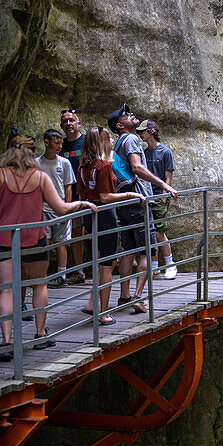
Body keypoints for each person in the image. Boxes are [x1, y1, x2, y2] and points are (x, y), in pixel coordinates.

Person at [0, 135, 97, 358]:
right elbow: (61, 208)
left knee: (6, 289)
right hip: (34, 238)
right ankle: (40, 334)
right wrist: (82, 202)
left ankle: (6, 342)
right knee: (39, 285)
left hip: (5, 240)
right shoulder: (40, 178)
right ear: (32, 152)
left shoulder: (1, 176)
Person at [107, 104, 177, 314]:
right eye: (126, 115)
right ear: (120, 125)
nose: (131, 115)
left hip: (125, 202)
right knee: (147, 249)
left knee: (128, 251)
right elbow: (137, 167)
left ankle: (124, 296)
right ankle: (138, 296)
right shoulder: (131, 139)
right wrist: (163, 184)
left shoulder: (119, 142)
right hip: (138, 200)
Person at [77, 129, 143, 324]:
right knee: (106, 266)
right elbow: (106, 197)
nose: (113, 140)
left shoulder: (83, 167)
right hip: (104, 216)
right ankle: (103, 313)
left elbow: (83, 196)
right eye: (109, 138)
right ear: (102, 143)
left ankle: (92, 304)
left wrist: (84, 225)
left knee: (101, 264)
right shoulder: (104, 166)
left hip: (90, 215)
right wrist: (131, 195)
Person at [35, 128, 75, 287]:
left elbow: (68, 187)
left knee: (61, 242)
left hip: (60, 208)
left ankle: (62, 275)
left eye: (61, 143)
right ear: (46, 143)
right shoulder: (37, 163)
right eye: (56, 143)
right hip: (43, 209)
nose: (59, 146)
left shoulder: (64, 163)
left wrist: (67, 209)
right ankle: (42, 276)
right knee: (44, 242)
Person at [138, 120, 177, 279]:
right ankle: (154, 267)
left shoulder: (165, 152)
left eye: (143, 131)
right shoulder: (144, 153)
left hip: (159, 197)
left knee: (159, 231)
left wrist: (163, 197)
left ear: (152, 131)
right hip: (147, 196)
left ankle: (170, 265)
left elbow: (168, 178)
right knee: (150, 233)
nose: (140, 134)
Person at [60, 109, 87, 283]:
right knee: (75, 233)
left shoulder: (86, 141)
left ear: (78, 123)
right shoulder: (60, 145)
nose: (68, 123)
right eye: (65, 121)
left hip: (87, 194)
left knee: (91, 232)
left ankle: (101, 268)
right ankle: (79, 271)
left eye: (72, 120)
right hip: (68, 196)